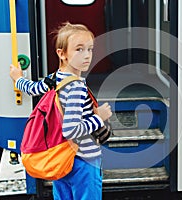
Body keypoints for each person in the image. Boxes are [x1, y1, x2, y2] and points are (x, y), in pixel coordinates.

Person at [10, 22, 112, 200]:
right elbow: (70, 130)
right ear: (62, 54)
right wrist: (98, 118)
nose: (87, 55)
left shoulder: (53, 78)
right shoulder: (76, 87)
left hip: (62, 159)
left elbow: (33, 88)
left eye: (90, 49)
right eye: (79, 50)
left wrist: (18, 79)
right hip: (84, 160)